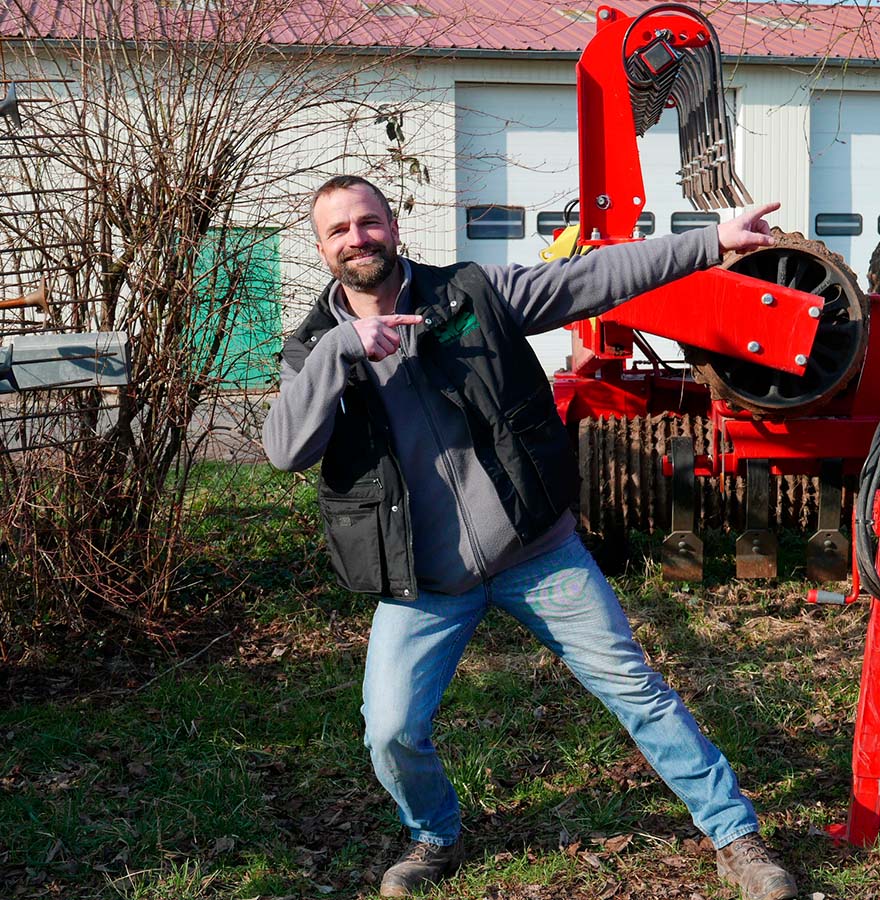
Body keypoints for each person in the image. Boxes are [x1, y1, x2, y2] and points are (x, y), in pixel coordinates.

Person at [262, 175, 797, 900]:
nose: (358, 238)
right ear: (323, 248)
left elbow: (589, 277)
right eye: (339, 231)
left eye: (369, 222)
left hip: (536, 555)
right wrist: (341, 355)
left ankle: (737, 838)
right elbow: (286, 450)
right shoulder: (312, 349)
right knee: (388, 730)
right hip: (426, 580)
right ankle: (435, 836)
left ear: (393, 224)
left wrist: (709, 243)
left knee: (637, 690)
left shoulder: (471, 294)